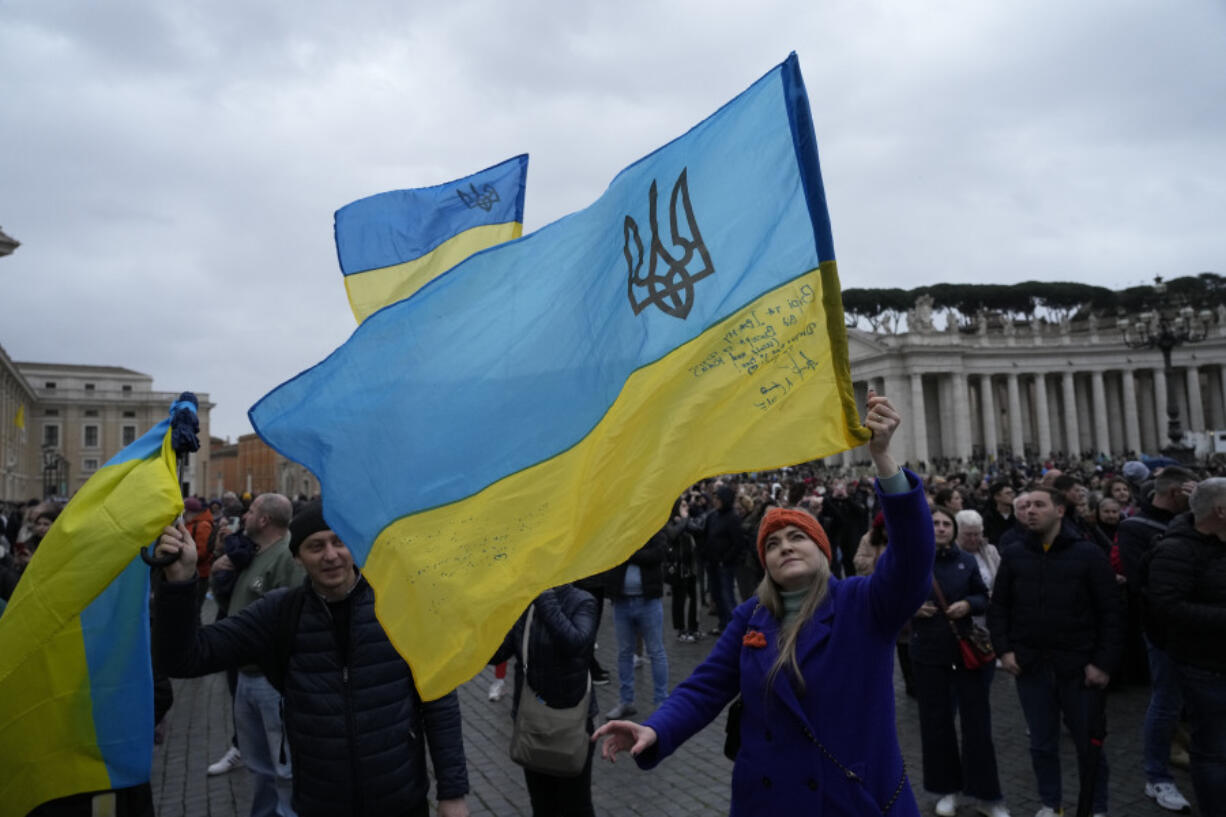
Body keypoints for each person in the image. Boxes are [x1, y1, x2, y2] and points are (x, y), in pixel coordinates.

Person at [593, 391, 935, 816]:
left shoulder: (863, 603)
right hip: (767, 800)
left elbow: (913, 560)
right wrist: (654, 728)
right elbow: (705, 687)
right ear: (766, 564)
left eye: (797, 538)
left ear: (823, 551)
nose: (784, 548)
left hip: (852, 795)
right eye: (772, 544)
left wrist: (883, 460)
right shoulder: (750, 616)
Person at [152, 500, 471, 817]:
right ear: (298, 558)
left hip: (400, 799)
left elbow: (439, 699)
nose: (330, 556)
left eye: (338, 542)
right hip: (320, 803)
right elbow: (186, 659)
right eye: (315, 546)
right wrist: (180, 582)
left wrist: (453, 792)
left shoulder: (399, 606)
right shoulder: (279, 612)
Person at [988, 486, 1121, 817]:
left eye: (1039, 505)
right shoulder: (1015, 554)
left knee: (1088, 745)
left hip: (1079, 667)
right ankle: (1051, 804)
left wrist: (1102, 663)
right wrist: (1004, 651)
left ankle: (1096, 806)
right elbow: (999, 607)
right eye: (1027, 505)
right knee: (1042, 744)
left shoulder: (1087, 554)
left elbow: (1112, 612)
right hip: (1031, 667)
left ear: (1060, 510)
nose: (1030, 510)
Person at [910, 506, 1008, 817]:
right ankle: (946, 790)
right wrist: (911, 609)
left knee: (977, 725)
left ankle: (987, 795)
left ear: (953, 530)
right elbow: (889, 599)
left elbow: (982, 596)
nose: (940, 528)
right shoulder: (911, 562)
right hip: (929, 653)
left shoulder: (966, 561)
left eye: (945, 524)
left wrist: (968, 603)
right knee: (937, 726)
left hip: (967, 652)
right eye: (934, 523)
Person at [1118, 465, 1198, 809]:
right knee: (1165, 701)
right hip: (1163, 631)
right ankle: (1157, 774)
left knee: (1197, 703)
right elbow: (1144, 585)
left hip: (1198, 636)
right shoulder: (1135, 528)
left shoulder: (1192, 526)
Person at [1148, 478, 1226, 816]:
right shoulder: (1175, 549)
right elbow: (1165, 607)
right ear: (1220, 510)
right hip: (1202, 664)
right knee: (1211, 750)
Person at [491, 584, 599, 817]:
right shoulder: (523, 603)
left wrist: (544, 598)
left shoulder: (583, 601)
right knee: (542, 805)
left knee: (576, 806)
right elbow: (497, 653)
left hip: (572, 725)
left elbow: (575, 644)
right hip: (533, 725)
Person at [604, 527, 669, 719]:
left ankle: (662, 701)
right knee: (625, 653)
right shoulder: (620, 527)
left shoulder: (653, 525)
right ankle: (626, 701)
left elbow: (658, 554)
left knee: (656, 651)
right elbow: (610, 554)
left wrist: (629, 553)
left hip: (648, 600)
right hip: (622, 601)